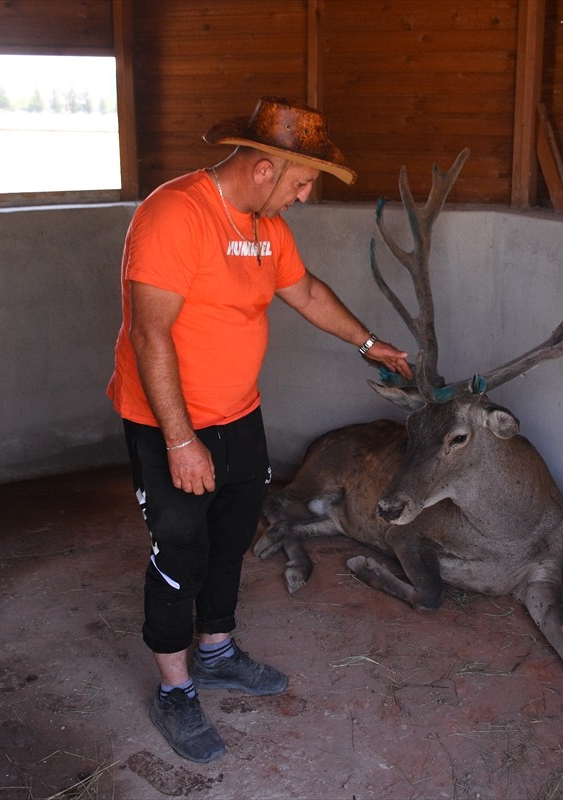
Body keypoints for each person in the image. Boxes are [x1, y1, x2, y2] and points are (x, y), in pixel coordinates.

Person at [106, 97, 414, 764]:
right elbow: (149, 333)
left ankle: (214, 650)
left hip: (239, 415)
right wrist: (181, 440)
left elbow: (303, 291)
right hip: (168, 423)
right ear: (264, 167)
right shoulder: (175, 214)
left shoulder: (267, 228)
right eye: (303, 183)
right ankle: (175, 689)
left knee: (232, 534)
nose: (305, 197)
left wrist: (370, 344)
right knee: (180, 545)